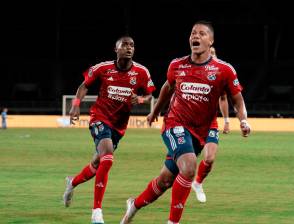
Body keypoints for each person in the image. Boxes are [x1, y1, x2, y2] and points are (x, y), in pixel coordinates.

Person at [120, 20, 251, 224]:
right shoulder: (177, 65)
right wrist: (155, 112)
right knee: (189, 167)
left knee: (165, 181)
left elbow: (237, 98)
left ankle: (134, 205)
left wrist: (243, 120)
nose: (195, 36)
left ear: (211, 41)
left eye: (201, 33)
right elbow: (166, 89)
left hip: (199, 132)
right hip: (175, 124)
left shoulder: (224, 70)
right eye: (192, 33)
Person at [62, 36, 155, 224]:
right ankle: (96, 212)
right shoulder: (102, 68)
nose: (129, 48)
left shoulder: (142, 72)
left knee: (98, 164)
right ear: (116, 49)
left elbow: (151, 91)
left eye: (132, 45)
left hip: (119, 126)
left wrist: (143, 100)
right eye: (125, 45)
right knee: (108, 157)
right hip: (100, 118)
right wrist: (76, 105)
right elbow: (84, 86)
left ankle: (72, 183)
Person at [191, 46, 231, 203]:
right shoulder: (193, 71)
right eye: (209, 53)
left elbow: (223, 99)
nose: (211, 56)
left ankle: (198, 183)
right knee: (182, 164)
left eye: (214, 53)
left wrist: (227, 121)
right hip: (189, 123)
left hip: (209, 123)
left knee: (210, 158)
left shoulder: (220, 75)